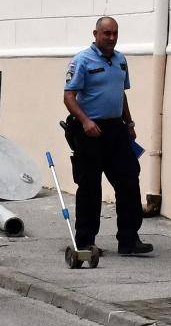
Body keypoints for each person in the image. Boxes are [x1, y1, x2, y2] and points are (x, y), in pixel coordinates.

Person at [63, 16, 152, 257]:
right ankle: (85, 242)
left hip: (116, 130)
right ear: (96, 34)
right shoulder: (82, 60)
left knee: (129, 181)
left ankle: (129, 239)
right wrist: (85, 121)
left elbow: (120, 95)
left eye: (114, 33)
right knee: (90, 187)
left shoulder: (121, 60)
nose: (111, 38)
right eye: (106, 34)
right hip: (90, 131)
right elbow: (69, 97)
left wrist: (129, 122)